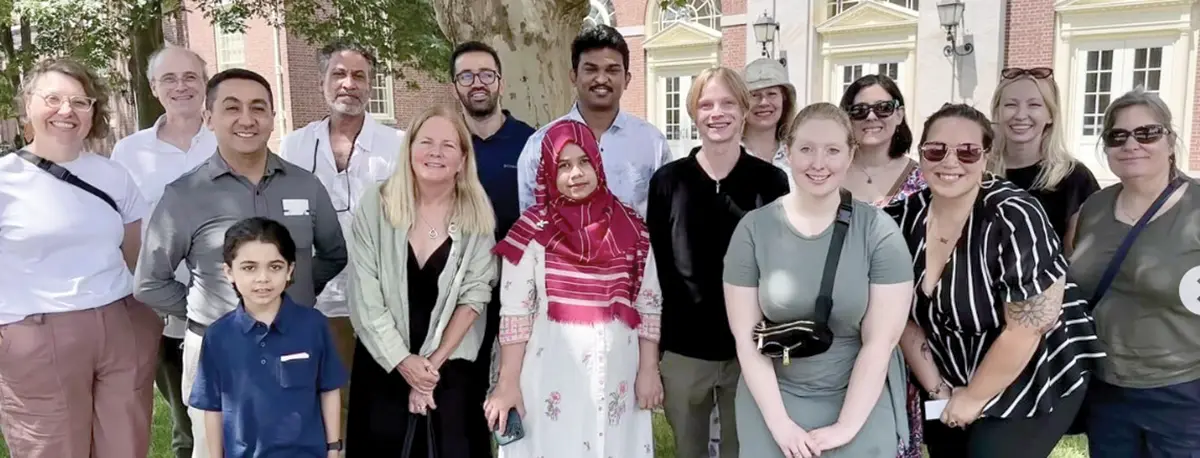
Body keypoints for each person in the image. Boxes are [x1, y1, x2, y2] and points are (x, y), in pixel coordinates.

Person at [134, 68, 349, 458]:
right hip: (218, 352)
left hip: (294, 348)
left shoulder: (305, 185)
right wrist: (211, 313)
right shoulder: (184, 195)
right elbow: (151, 281)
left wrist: (288, 297)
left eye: (258, 108)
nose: (247, 119)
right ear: (209, 118)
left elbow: (334, 253)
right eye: (231, 108)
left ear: (272, 117)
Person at [885, 104, 1104, 458]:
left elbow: (1026, 329)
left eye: (968, 152)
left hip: (1032, 370)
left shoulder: (1014, 215)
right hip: (948, 369)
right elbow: (901, 317)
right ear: (921, 156)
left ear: (986, 157)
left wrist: (973, 398)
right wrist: (939, 389)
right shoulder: (900, 219)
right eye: (936, 150)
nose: (950, 161)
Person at [724, 102, 914, 458]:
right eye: (806, 149)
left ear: (850, 153)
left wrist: (846, 427)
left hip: (858, 396)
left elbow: (880, 342)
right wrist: (780, 426)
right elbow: (747, 339)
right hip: (774, 396)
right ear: (788, 151)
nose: (818, 163)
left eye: (832, 150)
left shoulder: (879, 232)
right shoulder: (753, 230)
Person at [0, 57, 163, 458]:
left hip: (119, 323)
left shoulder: (113, 175)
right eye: (52, 98)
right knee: (54, 450)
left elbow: (134, 253)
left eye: (79, 101)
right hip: (35, 332)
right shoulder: (5, 180)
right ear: (29, 106)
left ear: (93, 111)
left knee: (125, 447)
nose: (65, 111)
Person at [484, 119, 663, 457]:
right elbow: (515, 314)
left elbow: (649, 303)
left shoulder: (631, 228)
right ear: (549, 171)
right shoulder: (531, 230)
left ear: (597, 162)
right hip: (550, 377)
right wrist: (507, 382)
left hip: (618, 378)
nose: (576, 173)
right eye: (563, 165)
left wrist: (648, 369)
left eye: (584, 161)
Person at [647, 67, 790, 458]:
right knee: (688, 450)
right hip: (683, 349)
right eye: (706, 104)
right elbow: (653, 269)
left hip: (749, 350)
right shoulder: (667, 182)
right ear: (693, 112)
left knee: (744, 450)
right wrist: (652, 351)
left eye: (728, 103)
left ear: (744, 110)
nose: (717, 113)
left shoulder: (771, 182)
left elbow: (780, 265)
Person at [345, 104, 497, 456]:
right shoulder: (376, 205)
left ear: (462, 159)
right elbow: (365, 297)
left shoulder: (477, 212)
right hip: (383, 364)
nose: (436, 152)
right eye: (426, 142)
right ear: (409, 148)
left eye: (448, 145)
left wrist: (429, 369)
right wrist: (404, 362)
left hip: (450, 369)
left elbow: (476, 294)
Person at [278, 41, 401, 434]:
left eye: (359, 76)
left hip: (381, 299)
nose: (349, 84)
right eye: (339, 74)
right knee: (326, 398)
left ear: (370, 84)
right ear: (322, 83)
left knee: (381, 399)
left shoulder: (397, 145)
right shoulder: (294, 146)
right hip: (317, 300)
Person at [1070, 89, 1200, 458]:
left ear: (1170, 141)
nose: (1132, 144)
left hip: (1184, 394)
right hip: (1108, 391)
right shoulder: (1094, 208)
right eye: (1118, 135)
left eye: (1147, 133)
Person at [110, 45, 215, 458]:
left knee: (228, 410)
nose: (181, 86)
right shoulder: (129, 153)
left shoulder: (228, 138)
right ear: (154, 88)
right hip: (159, 305)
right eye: (169, 79)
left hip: (223, 304)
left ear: (204, 84)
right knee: (183, 416)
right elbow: (122, 227)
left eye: (190, 77)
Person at [189, 217, 348, 457]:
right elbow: (213, 408)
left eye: (274, 267)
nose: (262, 278)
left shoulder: (314, 325)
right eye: (249, 267)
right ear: (229, 272)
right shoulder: (218, 336)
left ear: (289, 270)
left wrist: (333, 449)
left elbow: (329, 390)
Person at [450, 39, 537, 453]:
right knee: (464, 397)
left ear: (500, 82)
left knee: (516, 395)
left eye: (486, 74)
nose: (477, 83)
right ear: (455, 86)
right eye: (466, 76)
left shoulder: (530, 143)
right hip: (458, 294)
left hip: (517, 294)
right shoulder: (445, 144)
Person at [517, 24, 671, 217]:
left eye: (612, 70)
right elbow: (531, 224)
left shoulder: (652, 143)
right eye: (591, 69)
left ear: (627, 79)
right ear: (573, 76)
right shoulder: (540, 145)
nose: (601, 79)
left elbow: (663, 220)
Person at [987, 67, 1099, 253]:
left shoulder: (1074, 178)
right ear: (997, 112)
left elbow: (1080, 258)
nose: (1021, 115)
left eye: (1034, 105)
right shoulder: (979, 172)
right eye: (1010, 105)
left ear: (1050, 115)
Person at [838, 75, 923, 206]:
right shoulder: (829, 173)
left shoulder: (921, 179)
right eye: (859, 110)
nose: (871, 116)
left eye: (883, 108)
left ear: (899, 115)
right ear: (847, 118)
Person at [741, 58, 796, 179]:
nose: (764, 102)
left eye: (771, 94)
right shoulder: (727, 156)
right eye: (754, 95)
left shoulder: (797, 155)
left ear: (784, 99)